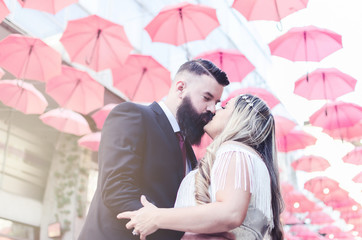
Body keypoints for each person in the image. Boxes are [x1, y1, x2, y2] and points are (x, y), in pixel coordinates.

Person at [78, 59, 229, 240]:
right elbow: (116, 189)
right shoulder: (133, 115)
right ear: (180, 88)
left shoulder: (187, 149)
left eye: (217, 102)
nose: (212, 109)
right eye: (206, 98)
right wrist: (180, 235)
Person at [118, 94, 284, 240]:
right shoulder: (251, 159)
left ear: (239, 119)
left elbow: (230, 213)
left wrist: (156, 217)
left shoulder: (234, 150)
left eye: (225, 107)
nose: (216, 109)